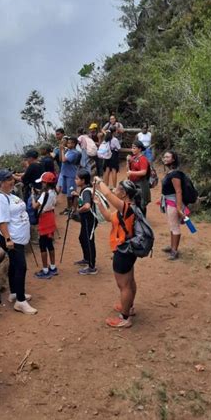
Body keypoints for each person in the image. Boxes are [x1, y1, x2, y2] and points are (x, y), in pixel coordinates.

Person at [93, 178, 139, 328]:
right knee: (129, 281)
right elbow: (108, 218)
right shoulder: (126, 209)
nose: (114, 191)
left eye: (117, 189)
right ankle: (129, 307)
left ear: (124, 194)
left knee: (123, 285)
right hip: (128, 249)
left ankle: (124, 318)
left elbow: (106, 193)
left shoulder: (126, 207)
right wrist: (99, 204)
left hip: (123, 250)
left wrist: (99, 181)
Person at [0, 169, 37, 314]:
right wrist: (8, 239)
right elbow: (1, 221)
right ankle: (21, 302)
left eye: (12, 178)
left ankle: (14, 294)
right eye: (8, 179)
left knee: (14, 265)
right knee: (21, 267)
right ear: (1, 183)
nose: (12, 181)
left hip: (18, 238)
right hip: (13, 239)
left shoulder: (9, 195)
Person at [31, 172, 58, 279]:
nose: (41, 184)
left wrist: (33, 196)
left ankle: (45, 270)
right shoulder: (54, 192)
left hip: (44, 219)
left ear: (46, 183)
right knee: (49, 244)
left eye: (43, 182)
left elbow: (34, 206)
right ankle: (53, 267)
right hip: (51, 217)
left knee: (42, 245)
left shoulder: (44, 194)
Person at [160, 150, 186, 261]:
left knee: (175, 226)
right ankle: (172, 247)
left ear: (173, 159)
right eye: (164, 157)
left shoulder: (175, 174)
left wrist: (179, 208)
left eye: (167, 157)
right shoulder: (171, 172)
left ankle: (174, 251)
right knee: (172, 225)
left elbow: (178, 191)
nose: (165, 159)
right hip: (169, 201)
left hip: (173, 203)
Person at [72, 169, 98, 275]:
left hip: (89, 219)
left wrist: (78, 210)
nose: (75, 180)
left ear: (83, 180)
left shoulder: (86, 191)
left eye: (77, 179)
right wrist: (78, 195)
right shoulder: (85, 189)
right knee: (83, 238)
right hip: (86, 220)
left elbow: (87, 206)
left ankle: (92, 267)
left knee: (88, 241)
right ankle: (87, 259)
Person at [127, 140, 151, 216]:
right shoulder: (133, 158)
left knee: (141, 202)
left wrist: (132, 173)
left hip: (141, 183)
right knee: (134, 201)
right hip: (133, 183)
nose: (132, 150)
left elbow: (144, 172)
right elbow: (128, 169)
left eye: (134, 148)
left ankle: (143, 219)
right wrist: (128, 161)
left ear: (140, 149)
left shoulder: (143, 159)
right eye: (132, 148)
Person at [58, 136, 81, 214]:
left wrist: (61, 150)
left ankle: (74, 209)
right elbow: (61, 159)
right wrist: (62, 151)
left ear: (74, 144)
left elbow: (64, 160)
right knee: (68, 193)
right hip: (65, 174)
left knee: (72, 193)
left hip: (71, 175)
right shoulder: (68, 151)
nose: (68, 144)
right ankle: (69, 208)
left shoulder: (74, 153)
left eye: (70, 143)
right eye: (67, 143)